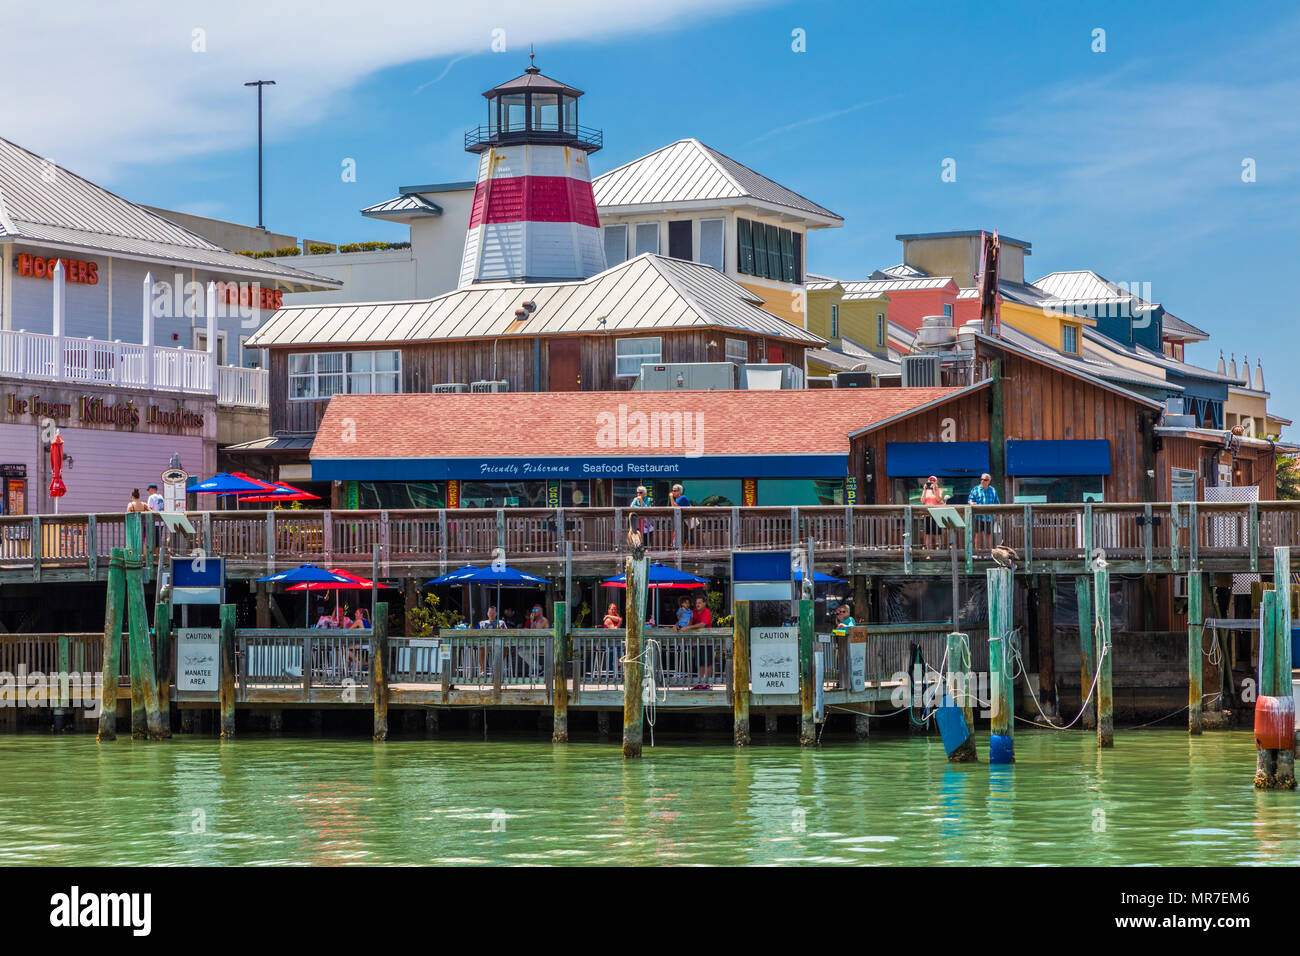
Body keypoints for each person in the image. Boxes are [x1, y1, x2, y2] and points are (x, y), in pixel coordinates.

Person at [685, 595, 714, 690]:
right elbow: (685, 621)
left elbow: (703, 624)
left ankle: (708, 683)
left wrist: (689, 627)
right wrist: (677, 625)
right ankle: (700, 683)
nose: (697, 605)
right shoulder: (693, 612)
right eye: (696, 603)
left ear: (704, 603)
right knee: (700, 663)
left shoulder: (707, 612)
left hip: (707, 641)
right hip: (698, 641)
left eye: (700, 603)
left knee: (708, 662)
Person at [967, 473, 1001, 553]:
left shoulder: (993, 490)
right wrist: (972, 503)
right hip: (977, 517)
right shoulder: (975, 489)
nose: (982, 481)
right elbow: (970, 500)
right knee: (977, 535)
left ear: (989, 481)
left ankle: (988, 553)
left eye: (985, 480)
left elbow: (997, 503)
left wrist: (998, 515)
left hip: (989, 517)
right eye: (981, 479)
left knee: (988, 536)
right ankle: (977, 554)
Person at [921, 476, 944, 549]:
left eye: (933, 481)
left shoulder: (939, 491)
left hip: (937, 514)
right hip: (927, 514)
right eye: (930, 481)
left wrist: (934, 490)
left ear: (936, 482)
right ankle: (928, 552)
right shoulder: (926, 491)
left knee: (938, 533)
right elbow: (922, 501)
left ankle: (939, 551)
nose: (931, 482)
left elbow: (938, 499)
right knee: (927, 534)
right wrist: (924, 490)